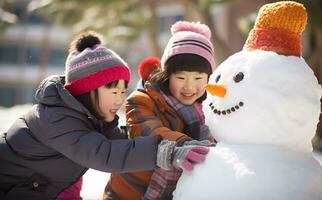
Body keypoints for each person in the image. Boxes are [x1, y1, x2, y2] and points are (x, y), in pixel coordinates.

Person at [0, 31, 210, 200]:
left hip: (45, 184)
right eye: (113, 92)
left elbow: (122, 141)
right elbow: (105, 153)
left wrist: (164, 140)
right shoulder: (57, 119)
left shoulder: (90, 117)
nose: (120, 100)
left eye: (122, 91)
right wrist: (166, 153)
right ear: (89, 91)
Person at [104, 21, 216, 200]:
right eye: (181, 77)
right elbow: (149, 132)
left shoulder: (211, 108)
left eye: (198, 77)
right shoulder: (141, 99)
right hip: (129, 192)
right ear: (167, 75)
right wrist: (185, 146)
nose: (190, 86)